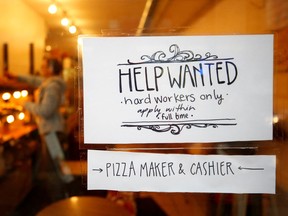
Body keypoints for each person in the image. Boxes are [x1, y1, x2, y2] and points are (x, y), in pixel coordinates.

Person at [5, 57, 73, 189]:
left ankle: (61, 196)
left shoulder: (52, 86)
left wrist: (24, 103)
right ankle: (65, 191)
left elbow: (45, 111)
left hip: (51, 131)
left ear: (51, 69)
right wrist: (17, 77)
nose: (42, 69)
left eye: (44, 66)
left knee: (54, 167)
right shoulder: (51, 83)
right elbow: (36, 81)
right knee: (57, 164)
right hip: (51, 130)